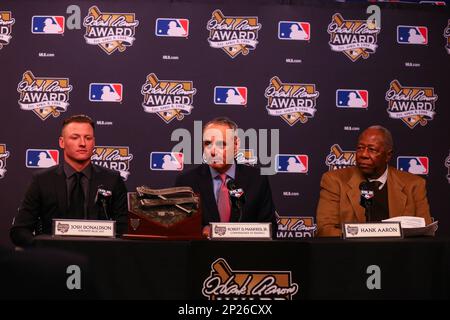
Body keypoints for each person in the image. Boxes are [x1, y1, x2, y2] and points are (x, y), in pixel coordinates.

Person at [10, 114, 128, 247]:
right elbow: (19, 230)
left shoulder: (112, 179)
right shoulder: (42, 180)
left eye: (88, 138)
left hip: (99, 259)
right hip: (53, 259)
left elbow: (124, 229)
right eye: (75, 137)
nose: (82, 143)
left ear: (93, 142)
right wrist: (43, 248)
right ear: (62, 142)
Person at [316, 125, 432, 237]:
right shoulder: (335, 181)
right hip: (354, 253)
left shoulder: (414, 184)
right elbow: (325, 230)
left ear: (388, 155)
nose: (364, 154)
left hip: (397, 254)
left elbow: (425, 232)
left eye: (372, 149)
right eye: (360, 148)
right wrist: (361, 234)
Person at [175, 117, 276, 231]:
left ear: (236, 145)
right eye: (208, 143)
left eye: (221, 144)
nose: (212, 151)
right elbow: (178, 228)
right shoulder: (187, 182)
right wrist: (202, 231)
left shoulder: (257, 180)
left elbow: (270, 228)